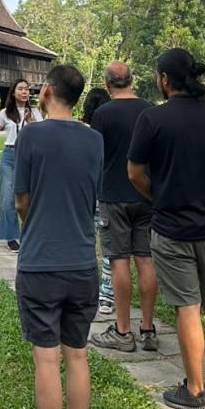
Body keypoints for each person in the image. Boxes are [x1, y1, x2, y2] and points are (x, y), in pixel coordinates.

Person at [127, 49, 205, 409]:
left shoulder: (152, 118)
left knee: (188, 306)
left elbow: (134, 173)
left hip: (172, 228)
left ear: (164, 79)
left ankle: (195, 390)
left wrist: (157, 197)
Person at [9, 64, 103, 409]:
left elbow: (21, 201)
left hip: (41, 262)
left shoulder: (32, 136)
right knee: (77, 355)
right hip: (83, 262)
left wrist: (33, 228)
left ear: (46, 92)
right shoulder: (95, 140)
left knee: (47, 359)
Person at [88, 62, 158, 352]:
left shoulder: (103, 114)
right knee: (146, 260)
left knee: (118, 261)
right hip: (146, 193)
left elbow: (95, 155)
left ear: (107, 85)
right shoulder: (150, 110)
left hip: (113, 195)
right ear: (133, 80)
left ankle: (123, 329)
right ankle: (148, 328)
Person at [0, 79, 42, 251]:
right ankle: (12, 236)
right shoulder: (5, 113)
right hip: (9, 157)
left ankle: (29, 234)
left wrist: (31, 122)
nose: (25, 92)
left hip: (29, 157)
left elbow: (40, 137)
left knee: (30, 198)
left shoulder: (35, 112)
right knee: (7, 199)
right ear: (13, 93)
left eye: (27, 89)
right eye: (21, 89)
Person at [82, 87, 116, 315]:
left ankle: (87, 291)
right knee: (109, 248)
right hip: (108, 193)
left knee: (87, 243)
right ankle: (107, 296)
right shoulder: (113, 129)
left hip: (87, 193)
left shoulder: (84, 132)